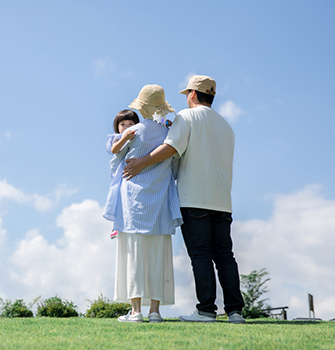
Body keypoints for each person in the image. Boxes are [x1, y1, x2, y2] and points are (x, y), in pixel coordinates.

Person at [122, 75, 246, 324]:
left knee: (200, 254)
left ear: (191, 94)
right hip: (223, 201)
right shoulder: (226, 125)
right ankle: (235, 312)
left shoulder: (186, 117)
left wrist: (140, 163)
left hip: (194, 198)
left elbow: (171, 148)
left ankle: (206, 311)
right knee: (225, 256)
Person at [103, 84, 182, 323]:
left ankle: (135, 311)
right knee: (158, 254)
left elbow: (114, 154)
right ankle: (155, 311)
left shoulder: (133, 131)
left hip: (133, 203)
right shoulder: (170, 132)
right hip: (160, 200)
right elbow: (176, 165)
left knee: (134, 254)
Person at [105, 110, 140, 239]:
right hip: (119, 171)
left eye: (130, 124)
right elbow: (115, 149)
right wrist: (125, 138)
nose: (126, 127)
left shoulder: (138, 136)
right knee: (117, 196)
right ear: (117, 127)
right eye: (123, 124)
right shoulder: (117, 138)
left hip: (130, 170)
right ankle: (116, 225)